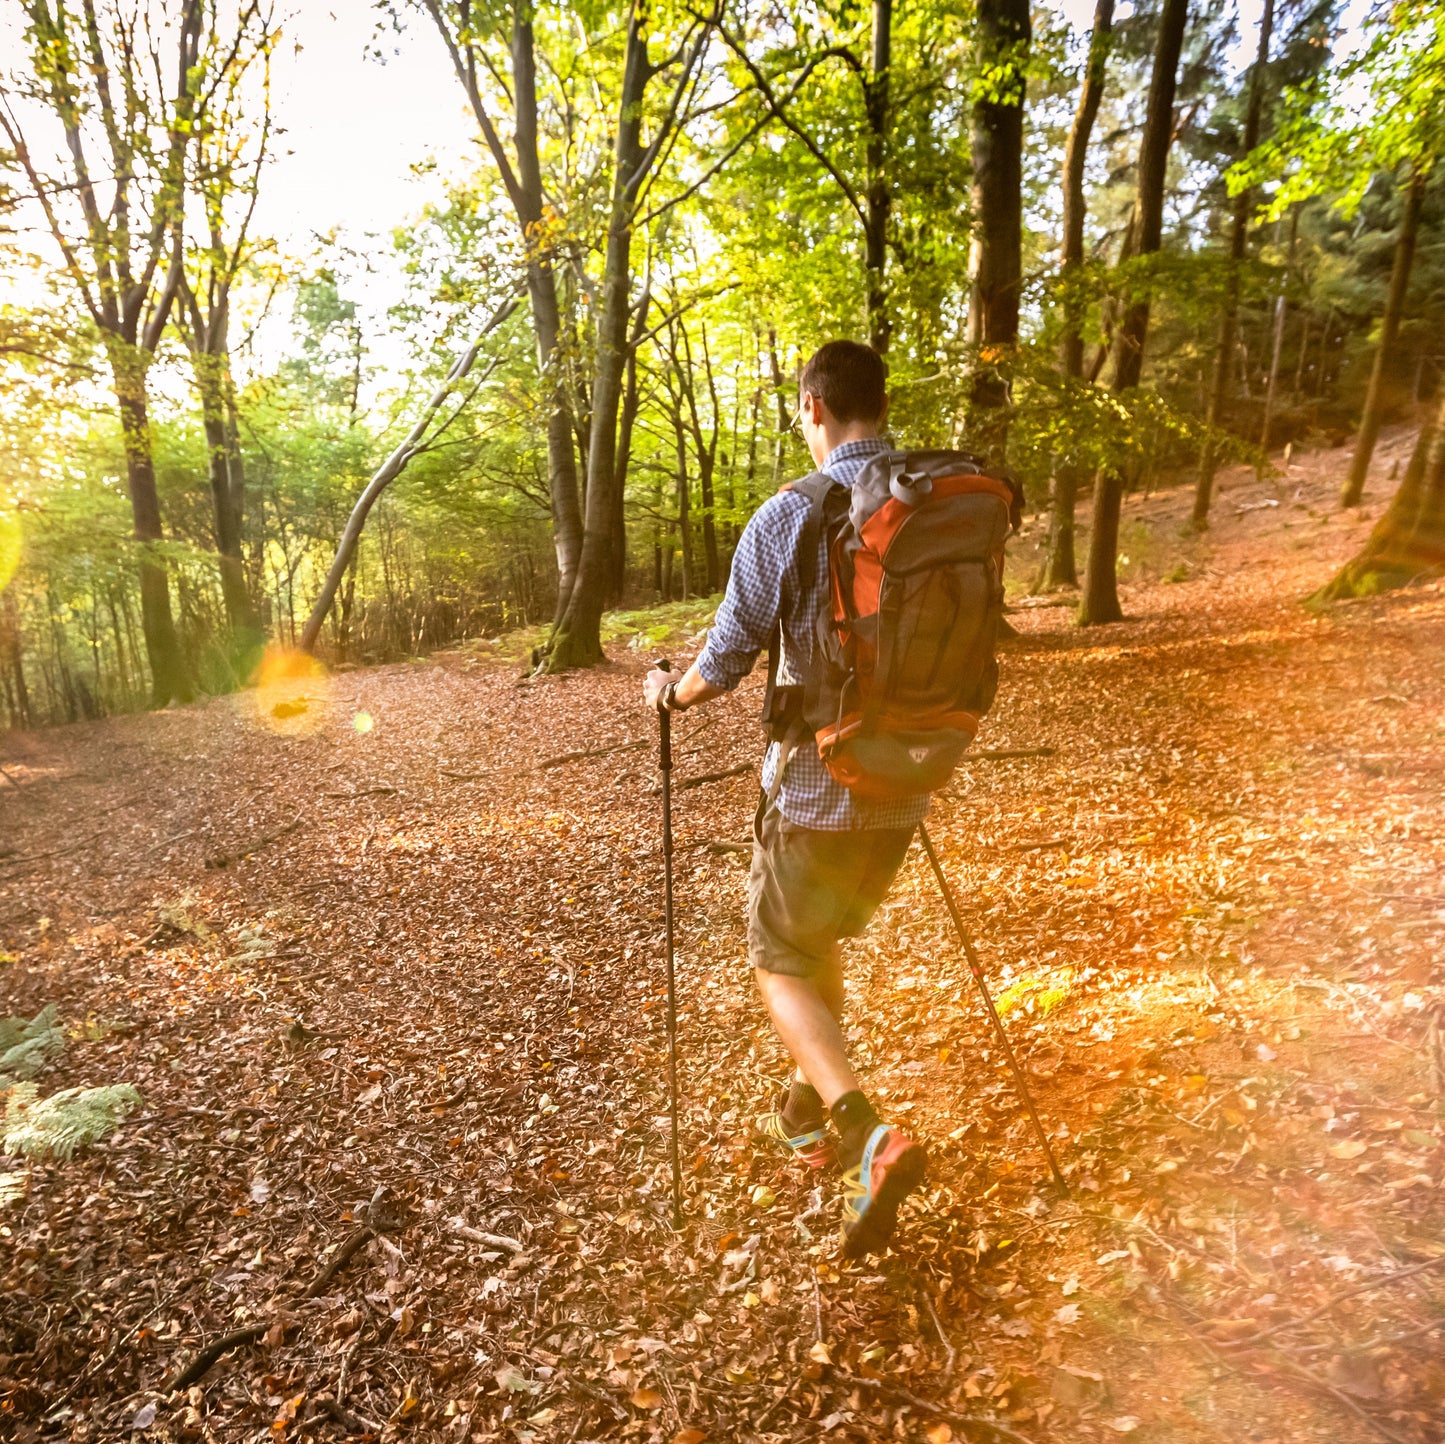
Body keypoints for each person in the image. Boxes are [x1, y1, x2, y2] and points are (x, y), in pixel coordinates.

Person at [642, 339, 928, 1258]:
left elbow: (726, 656)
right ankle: (804, 1112)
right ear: (878, 406)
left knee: (776, 958)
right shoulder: (927, 500)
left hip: (815, 792)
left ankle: (864, 1128)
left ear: (812, 408)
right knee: (814, 943)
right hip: (906, 786)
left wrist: (666, 695)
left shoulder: (789, 517)